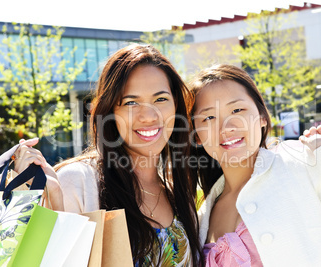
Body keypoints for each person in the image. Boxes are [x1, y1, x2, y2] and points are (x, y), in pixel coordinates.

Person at [14, 44, 201, 266]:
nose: (149, 116)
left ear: (176, 106)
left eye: (160, 99)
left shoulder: (178, 192)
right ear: (110, 112)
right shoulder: (77, 182)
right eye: (131, 102)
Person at [190, 64, 321, 266]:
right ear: (196, 134)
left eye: (237, 110)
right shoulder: (201, 216)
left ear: (263, 117)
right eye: (209, 117)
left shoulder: (302, 166)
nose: (226, 127)